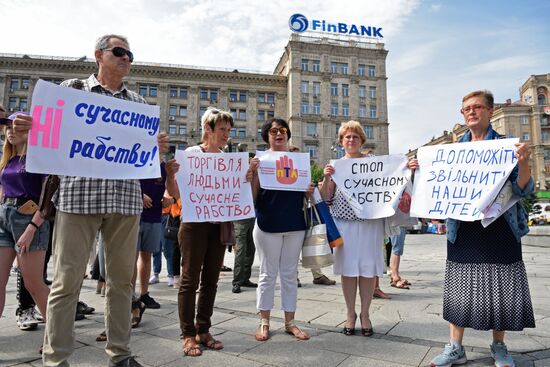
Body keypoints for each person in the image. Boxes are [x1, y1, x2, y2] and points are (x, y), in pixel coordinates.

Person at [9, 34, 168, 367]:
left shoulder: (138, 104)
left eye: (131, 54)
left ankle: (120, 354)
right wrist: (29, 128)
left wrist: (154, 148)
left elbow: (140, 154)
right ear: (99, 55)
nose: (127, 58)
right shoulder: (71, 90)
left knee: (121, 282)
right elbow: (48, 136)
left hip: (124, 201)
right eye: (120, 52)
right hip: (77, 197)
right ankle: (56, 359)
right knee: (68, 281)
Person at [429, 90, 535, 367]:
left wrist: (523, 163)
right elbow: (436, 187)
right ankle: (455, 347)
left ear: (490, 111)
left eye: (477, 107)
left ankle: (499, 346)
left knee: (501, 286)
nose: (472, 112)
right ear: (462, 115)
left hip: (501, 227)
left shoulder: (504, 146)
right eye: (466, 109)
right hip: (463, 229)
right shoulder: (451, 152)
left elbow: (524, 189)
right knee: (459, 286)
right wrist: (420, 170)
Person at [320, 120, 416, 337]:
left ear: (361, 140)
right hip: (344, 224)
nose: (351, 140)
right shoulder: (336, 165)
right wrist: (327, 177)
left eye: (355, 136)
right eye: (347, 137)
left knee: (367, 270)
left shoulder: (373, 162)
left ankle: (365, 314)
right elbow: (326, 197)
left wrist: (407, 170)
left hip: (370, 223)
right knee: (348, 270)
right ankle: (350, 314)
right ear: (341, 141)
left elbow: (393, 180)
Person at [165, 107, 234, 357]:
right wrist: (170, 176)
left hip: (218, 225)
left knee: (211, 281)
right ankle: (187, 334)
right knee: (189, 279)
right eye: (222, 129)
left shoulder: (227, 158)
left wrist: (247, 178)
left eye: (229, 130)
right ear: (208, 129)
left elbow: (232, 192)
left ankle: (203, 329)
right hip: (194, 225)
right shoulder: (193, 154)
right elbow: (175, 193)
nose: (227, 134)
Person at [248, 118, 313, 342]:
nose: (279, 134)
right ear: (267, 136)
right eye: (273, 131)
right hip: (268, 223)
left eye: (282, 130)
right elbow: (253, 197)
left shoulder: (299, 161)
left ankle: (290, 322)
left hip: (295, 224)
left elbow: (307, 196)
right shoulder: (260, 161)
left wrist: (309, 190)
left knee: (289, 275)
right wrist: (254, 175)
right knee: (267, 274)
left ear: (288, 134)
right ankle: (264, 321)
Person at [0, 112, 50, 328]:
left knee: (33, 284)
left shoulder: (40, 159)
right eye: (8, 127)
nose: (11, 131)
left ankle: (57, 334)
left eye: (17, 127)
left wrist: (31, 228)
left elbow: (48, 199)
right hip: (4, 218)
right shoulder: (7, 159)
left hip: (29, 220)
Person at [132, 161, 167, 311]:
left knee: (147, 255)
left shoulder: (164, 167)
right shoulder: (138, 160)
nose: (164, 143)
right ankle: (131, 296)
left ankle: (144, 293)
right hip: (135, 216)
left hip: (154, 216)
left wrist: (168, 198)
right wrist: (140, 194)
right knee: (132, 257)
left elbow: (170, 189)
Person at [231, 217, 257, 293]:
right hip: (240, 218)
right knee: (241, 251)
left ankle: (245, 279)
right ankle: (237, 281)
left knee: (250, 249)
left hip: (251, 217)